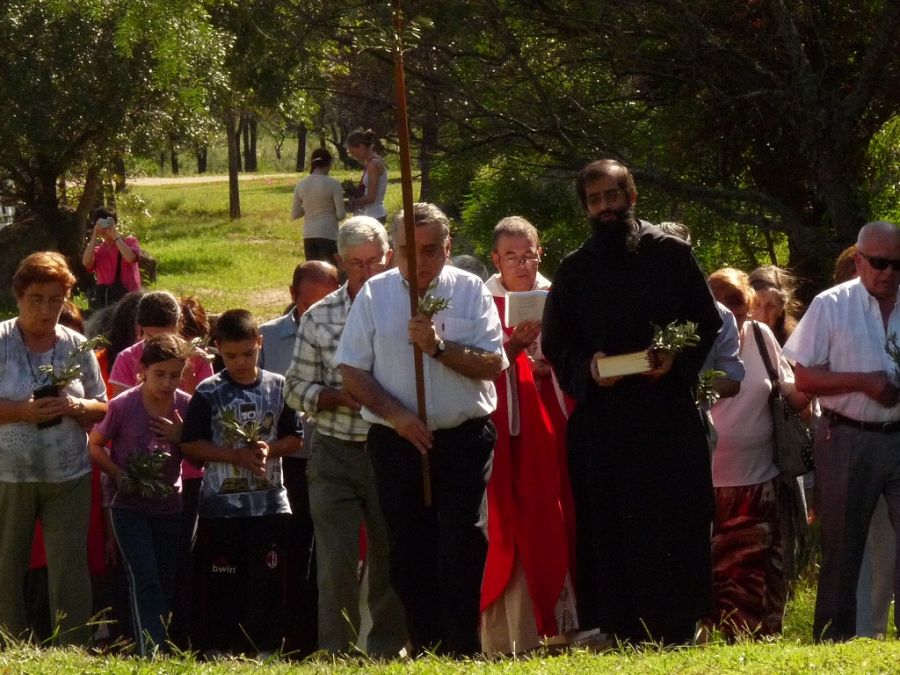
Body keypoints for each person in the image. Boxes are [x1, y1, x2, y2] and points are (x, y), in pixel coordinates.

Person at [541, 159, 722, 646]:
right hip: (605, 425)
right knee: (612, 526)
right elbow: (556, 344)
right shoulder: (575, 269)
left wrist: (676, 360)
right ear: (585, 207)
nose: (605, 207)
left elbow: (708, 322)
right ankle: (621, 631)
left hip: (667, 418)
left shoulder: (672, 255)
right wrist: (590, 367)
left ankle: (680, 629)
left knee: (675, 522)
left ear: (631, 197)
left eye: (612, 196)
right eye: (595, 199)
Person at [336, 202, 507, 656]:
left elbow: (494, 364)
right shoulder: (375, 294)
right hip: (396, 440)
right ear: (394, 251)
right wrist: (396, 415)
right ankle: (427, 645)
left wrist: (437, 346)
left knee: (461, 544)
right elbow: (351, 370)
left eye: (432, 250)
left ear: (448, 249)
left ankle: (463, 650)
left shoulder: (471, 291)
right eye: (411, 251)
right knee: (406, 550)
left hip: (462, 438)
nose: (422, 261)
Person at [285, 216, 407, 656]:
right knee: (336, 560)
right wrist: (339, 397)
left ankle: (387, 650)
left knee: (388, 555)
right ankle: (336, 652)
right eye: (356, 264)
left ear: (388, 257)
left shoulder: (406, 307)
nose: (367, 271)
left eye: (375, 262)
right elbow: (294, 388)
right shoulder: (319, 316)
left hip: (389, 447)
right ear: (340, 262)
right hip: (335, 449)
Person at [783, 221, 900, 642]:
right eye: (880, 263)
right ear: (859, 261)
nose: (888, 273)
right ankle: (832, 642)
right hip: (847, 436)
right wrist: (863, 382)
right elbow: (804, 380)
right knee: (843, 548)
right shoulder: (831, 304)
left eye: (897, 265)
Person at [0, 251, 108, 646]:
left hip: (69, 474)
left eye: (55, 300)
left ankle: (73, 647)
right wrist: (21, 411)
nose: (46, 309)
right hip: (10, 473)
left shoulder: (77, 346)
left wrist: (78, 407)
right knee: (7, 564)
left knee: (69, 564)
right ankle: (9, 645)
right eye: (36, 299)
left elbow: (103, 404)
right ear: (18, 296)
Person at [480, 216, 577, 654]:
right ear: (496, 259)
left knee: (554, 510)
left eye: (529, 255)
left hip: (551, 419)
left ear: (541, 254)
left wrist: (550, 364)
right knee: (502, 520)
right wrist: (514, 355)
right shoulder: (480, 300)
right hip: (501, 422)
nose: (521, 264)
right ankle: (503, 629)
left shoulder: (561, 298)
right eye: (511, 257)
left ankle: (558, 619)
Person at [180, 309, 302, 654]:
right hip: (221, 508)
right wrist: (235, 456)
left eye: (248, 353)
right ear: (218, 348)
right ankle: (220, 649)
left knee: (266, 582)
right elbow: (190, 444)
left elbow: (295, 438)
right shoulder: (208, 391)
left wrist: (267, 448)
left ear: (260, 343)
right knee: (223, 581)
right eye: (231, 355)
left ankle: (265, 649)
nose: (240, 362)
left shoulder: (279, 386)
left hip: (270, 505)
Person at [705, 268, 808, 639]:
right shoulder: (693, 341)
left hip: (760, 484)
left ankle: (755, 650)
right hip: (708, 487)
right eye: (719, 300)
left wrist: (815, 385)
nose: (729, 309)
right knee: (718, 581)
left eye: (736, 301)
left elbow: (790, 392)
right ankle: (719, 649)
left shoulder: (762, 337)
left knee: (758, 579)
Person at [88, 333, 191, 656]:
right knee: (143, 575)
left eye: (174, 375)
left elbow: (200, 456)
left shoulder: (186, 405)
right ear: (142, 369)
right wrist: (119, 475)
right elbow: (95, 446)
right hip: (128, 506)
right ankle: (151, 648)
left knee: (164, 577)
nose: (167, 382)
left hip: (169, 505)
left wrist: (180, 436)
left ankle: (160, 641)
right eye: (159, 374)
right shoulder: (122, 405)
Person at [260, 259, 340, 656]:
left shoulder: (348, 327)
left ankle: (328, 638)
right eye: (313, 304)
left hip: (334, 452)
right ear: (293, 297)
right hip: (284, 463)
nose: (322, 312)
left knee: (332, 550)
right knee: (290, 549)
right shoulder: (268, 338)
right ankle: (292, 637)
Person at [828, 243, 896, 639]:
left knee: (887, 543)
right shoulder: (832, 313)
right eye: (875, 266)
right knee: (849, 542)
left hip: (892, 439)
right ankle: (848, 630)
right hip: (845, 439)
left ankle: (874, 629)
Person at [109, 291, 214, 398]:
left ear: (180, 323)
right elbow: (121, 408)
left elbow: (205, 407)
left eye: (166, 337)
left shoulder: (198, 359)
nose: (159, 345)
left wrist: (188, 376)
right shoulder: (127, 358)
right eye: (150, 337)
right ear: (139, 329)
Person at [291, 148, 347, 264]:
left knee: (314, 272)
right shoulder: (334, 184)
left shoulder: (301, 184)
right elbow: (341, 215)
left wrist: (310, 206)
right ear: (328, 164)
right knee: (331, 271)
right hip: (328, 233)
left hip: (309, 234)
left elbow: (295, 214)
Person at [82, 207, 142, 309]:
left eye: (108, 223)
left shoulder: (129, 242)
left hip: (130, 299)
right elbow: (86, 263)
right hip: (106, 300)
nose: (105, 228)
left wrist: (115, 236)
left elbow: (130, 258)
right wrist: (94, 236)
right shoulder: (97, 250)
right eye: (101, 224)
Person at [346, 129, 387, 224]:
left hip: (374, 215)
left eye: (353, 152)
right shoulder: (370, 162)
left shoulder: (373, 164)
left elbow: (371, 197)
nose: (354, 156)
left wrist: (352, 202)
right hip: (370, 214)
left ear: (360, 146)